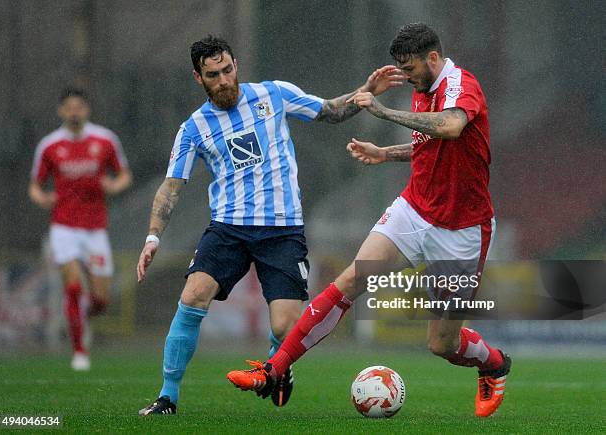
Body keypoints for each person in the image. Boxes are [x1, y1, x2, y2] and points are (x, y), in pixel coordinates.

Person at [227, 23, 512, 418]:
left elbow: (450, 127)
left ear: (432, 58)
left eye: (410, 68)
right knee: (351, 279)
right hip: (414, 210)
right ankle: (274, 369)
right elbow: (430, 148)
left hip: (462, 231)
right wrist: (385, 154)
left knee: (442, 344)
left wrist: (381, 111)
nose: (406, 77)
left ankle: (493, 362)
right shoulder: (423, 88)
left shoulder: (462, 86)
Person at [136, 35, 403, 416]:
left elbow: (328, 111)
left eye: (228, 70)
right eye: (214, 75)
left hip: (282, 230)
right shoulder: (193, 128)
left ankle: (279, 366)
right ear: (199, 78)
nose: (225, 80)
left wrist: (365, 91)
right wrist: (152, 236)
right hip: (228, 229)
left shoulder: (273, 95)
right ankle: (167, 396)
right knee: (193, 295)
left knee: (285, 326)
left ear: (236, 65)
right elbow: (171, 187)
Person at [29, 87, 132, 371]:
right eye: (69, 107)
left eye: (79, 106)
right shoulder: (50, 146)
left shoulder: (105, 140)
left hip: (96, 228)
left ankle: (84, 312)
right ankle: (79, 350)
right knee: (73, 286)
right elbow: (35, 186)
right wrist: (43, 198)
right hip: (63, 226)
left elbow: (124, 174)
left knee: (101, 299)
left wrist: (114, 185)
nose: (74, 111)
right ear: (61, 111)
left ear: (87, 110)